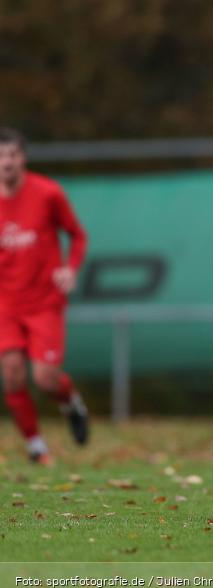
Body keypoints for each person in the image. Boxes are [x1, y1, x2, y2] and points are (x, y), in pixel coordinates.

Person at [0, 128, 89, 465]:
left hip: (44, 302)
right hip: (5, 304)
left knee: (45, 378)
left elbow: (77, 236)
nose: (6, 162)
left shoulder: (47, 193)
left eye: (12, 155)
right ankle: (37, 447)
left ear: (23, 158)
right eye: (1, 156)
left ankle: (71, 402)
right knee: (11, 373)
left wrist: (71, 268)